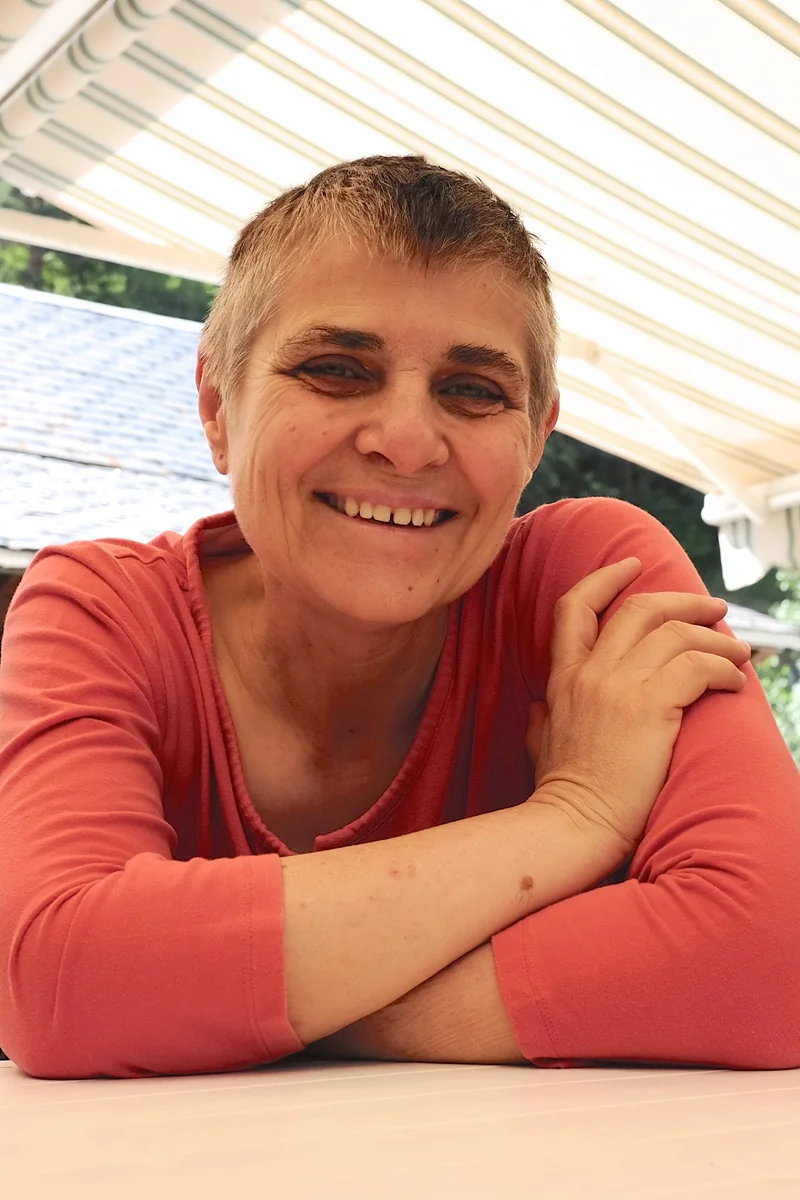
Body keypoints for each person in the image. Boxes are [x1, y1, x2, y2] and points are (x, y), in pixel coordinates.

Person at [0, 156, 798, 1081]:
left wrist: (219, 1003)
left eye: (474, 389)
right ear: (218, 406)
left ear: (534, 439)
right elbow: (56, 982)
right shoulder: (102, 610)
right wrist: (574, 815)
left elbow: (773, 968)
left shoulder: (590, 580)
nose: (409, 442)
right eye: (337, 370)